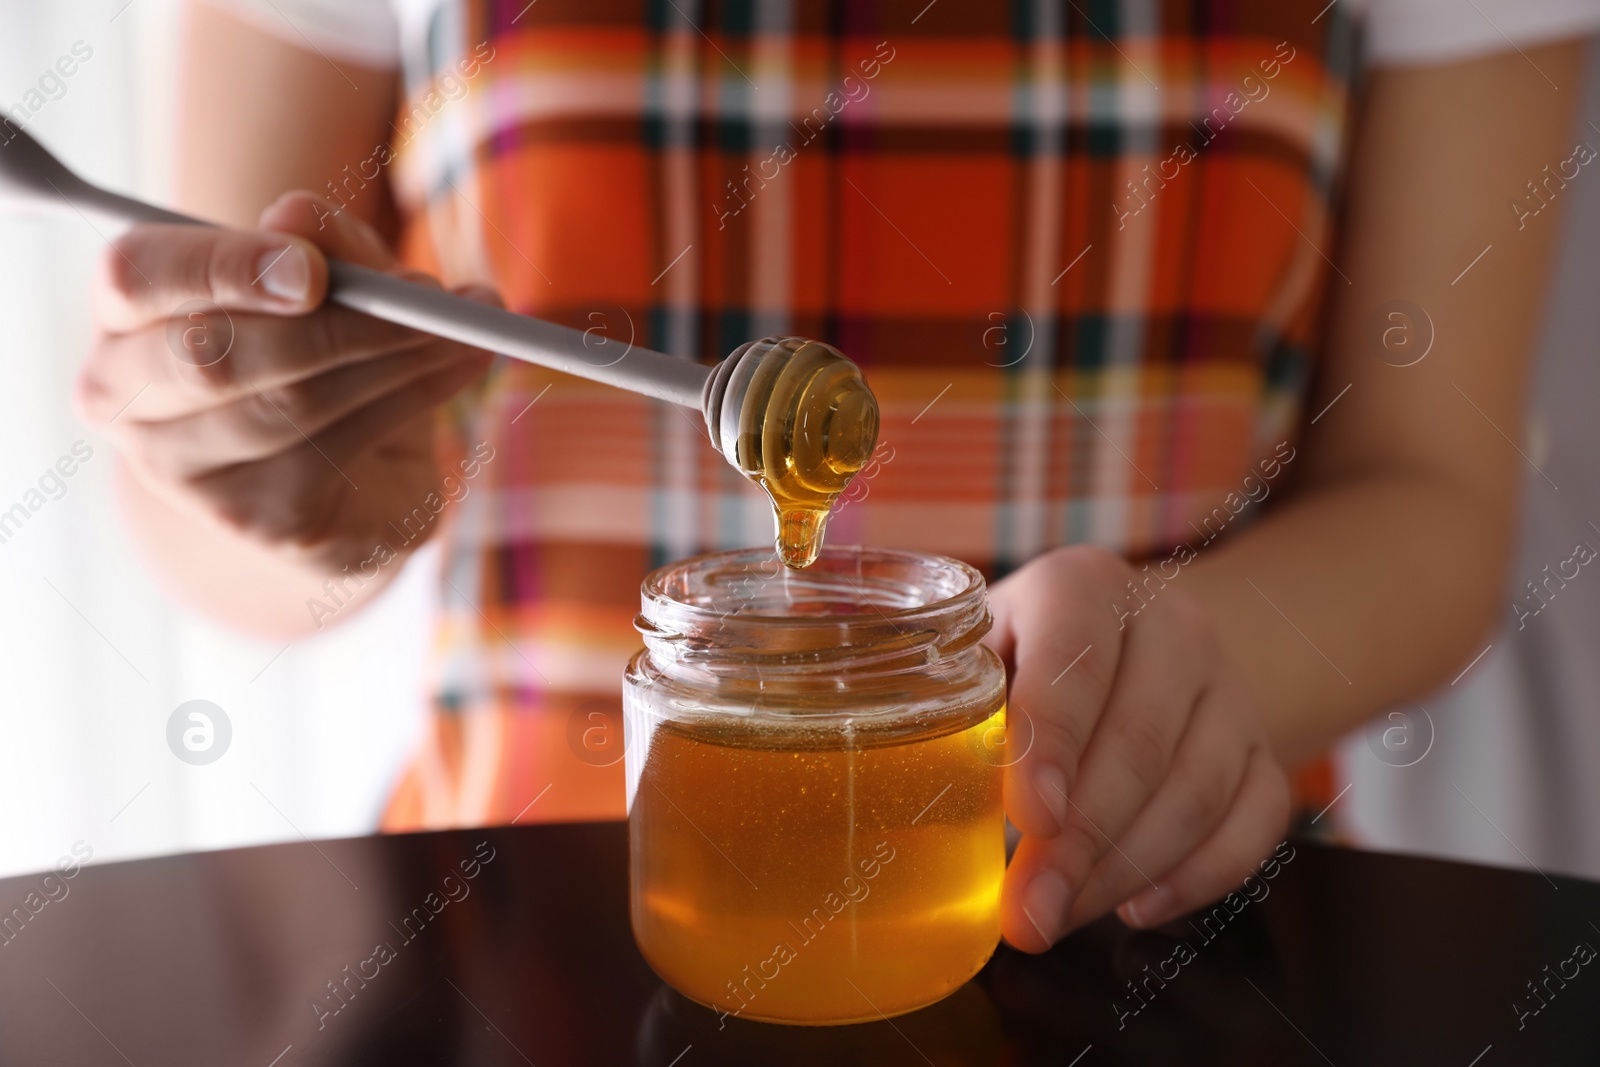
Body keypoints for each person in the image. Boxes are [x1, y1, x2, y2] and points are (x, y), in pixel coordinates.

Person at [74, 0, 1599, 952]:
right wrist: (283, 484)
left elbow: (1433, 485)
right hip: (525, 937)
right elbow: (201, 513)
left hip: (1149, 905)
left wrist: (1197, 662)